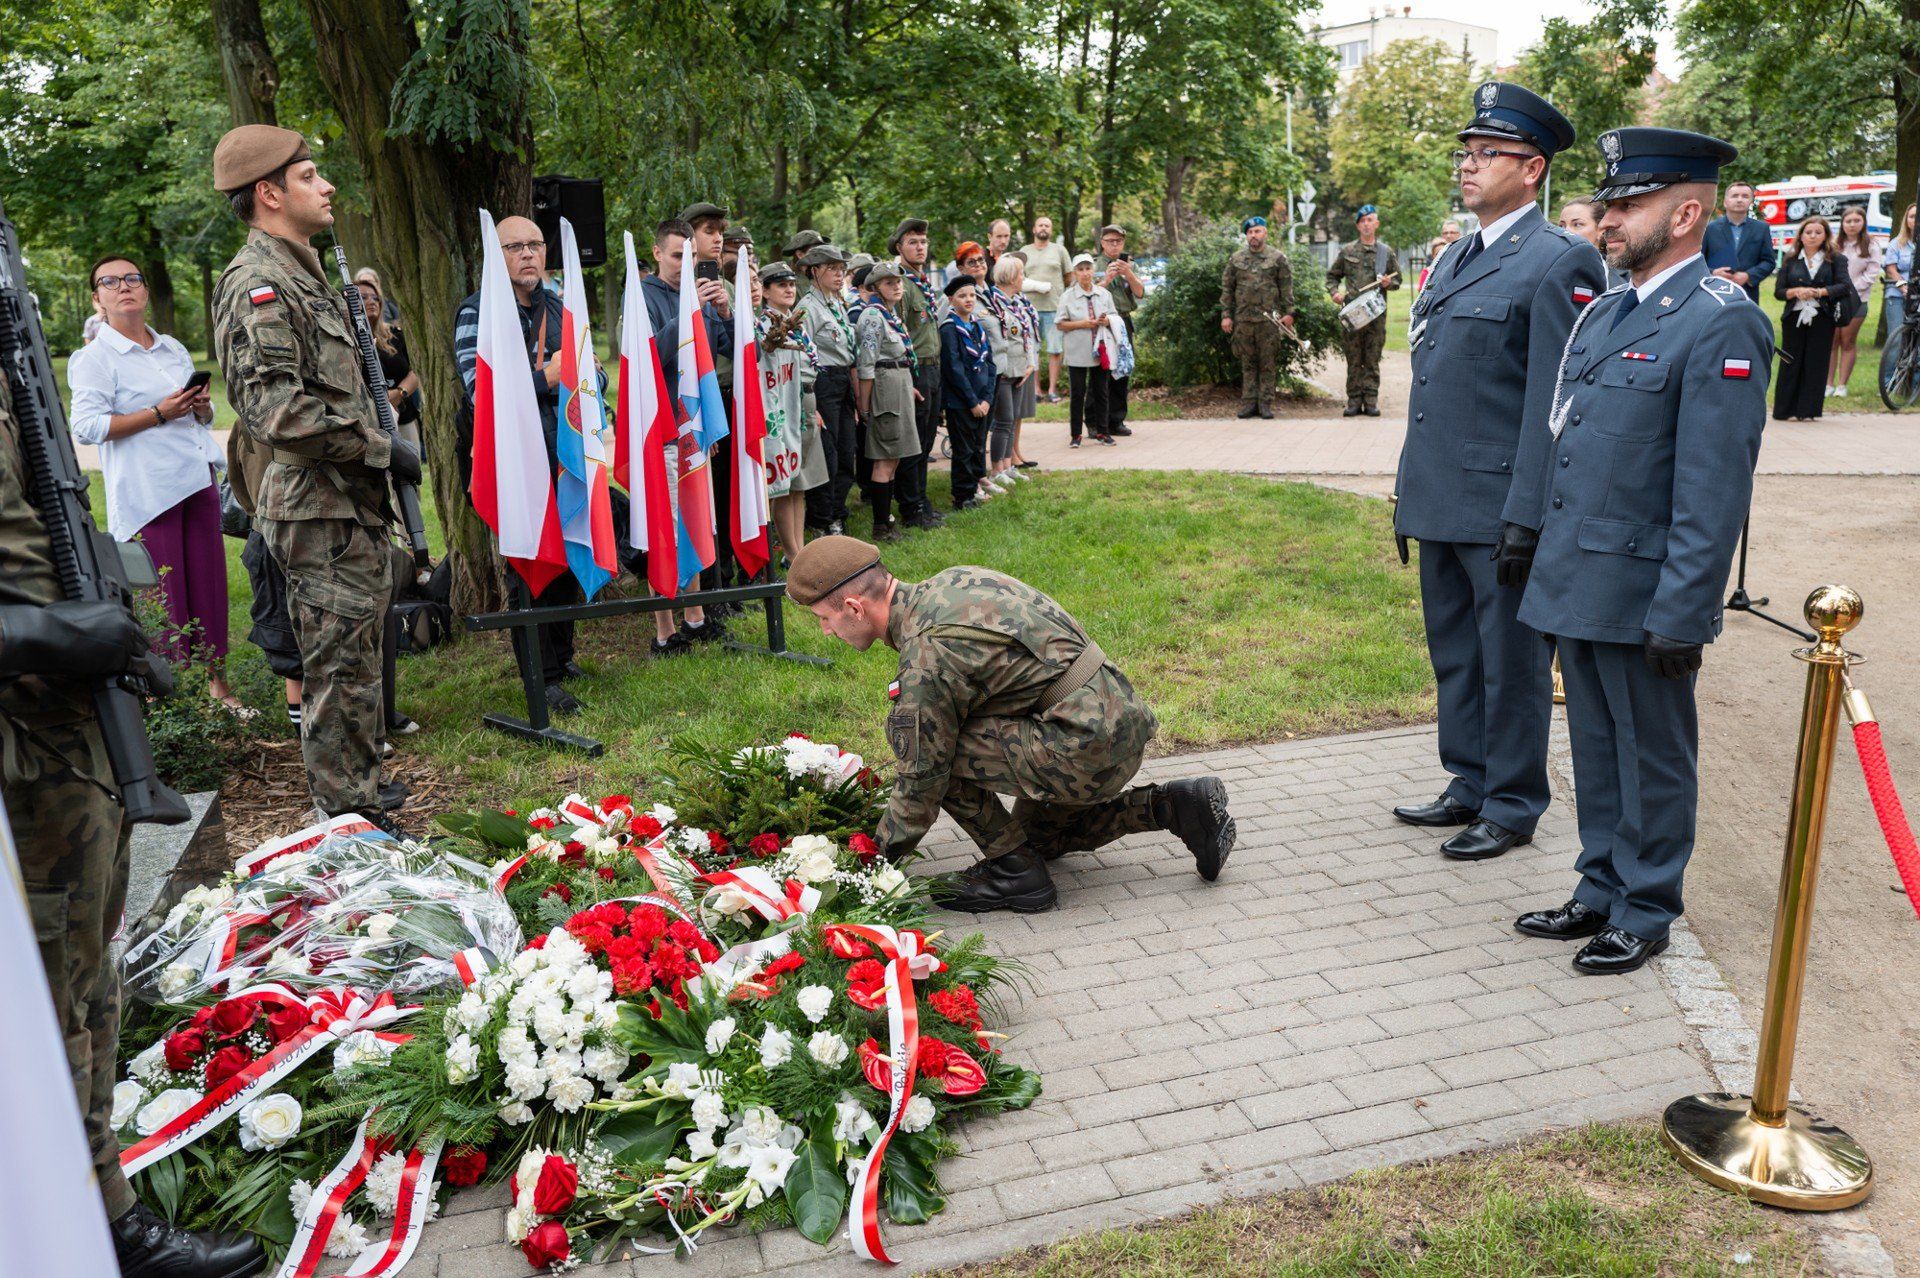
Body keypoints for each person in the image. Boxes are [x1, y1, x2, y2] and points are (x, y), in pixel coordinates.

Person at [1, 382, 268, 1278]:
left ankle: (99, 1213)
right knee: (41, 1009)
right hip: (17, 759)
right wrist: (34, 633)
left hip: (70, 745)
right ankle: (76, 1231)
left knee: (86, 984)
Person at [1511, 127, 1769, 975]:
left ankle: (1648, 904)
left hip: (1647, 589)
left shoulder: (1719, 323)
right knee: (1592, 743)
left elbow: (1712, 489)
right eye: (1611, 204)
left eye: (1629, 205)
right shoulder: (1609, 313)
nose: (1610, 220)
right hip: (1580, 574)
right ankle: (1599, 885)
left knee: (1651, 753)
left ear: (1687, 212)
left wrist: (1685, 612)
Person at [784, 536, 1236, 912]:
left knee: (933, 749)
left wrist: (866, 869)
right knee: (1040, 838)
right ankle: (1174, 806)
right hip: (1120, 723)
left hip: (1081, 747)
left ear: (854, 607)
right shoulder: (955, 580)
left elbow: (921, 781)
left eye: (825, 619)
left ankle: (1013, 871)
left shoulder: (926, 655)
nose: (826, 631)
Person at [1394, 81, 1604, 864]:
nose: (1470, 165)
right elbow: (1435, 389)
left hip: (1502, 502)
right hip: (1443, 493)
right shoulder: (1457, 258)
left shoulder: (1560, 259)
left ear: (1534, 168)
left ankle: (1513, 801)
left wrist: (1530, 513)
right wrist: (1408, 488)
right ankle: (1469, 779)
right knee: (1455, 650)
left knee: (1511, 663)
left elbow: (1558, 399)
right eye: (1467, 152)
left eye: (1489, 154)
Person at [211, 124, 416, 835]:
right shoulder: (259, 283)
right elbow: (276, 411)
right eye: (309, 177)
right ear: (268, 193)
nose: (326, 187)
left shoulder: (305, 272)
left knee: (355, 665)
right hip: (316, 508)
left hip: (343, 504)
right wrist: (381, 450)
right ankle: (346, 822)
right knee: (336, 672)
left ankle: (357, 795)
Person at [67, 255, 241, 710]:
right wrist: (160, 412)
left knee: (208, 588)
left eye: (132, 279)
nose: (124, 286)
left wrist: (200, 407)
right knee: (164, 601)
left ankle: (219, 688)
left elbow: (200, 418)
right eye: (111, 281)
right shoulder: (94, 358)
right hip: (148, 493)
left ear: (144, 291)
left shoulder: (171, 347)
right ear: (97, 298)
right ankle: (170, 703)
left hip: (195, 480)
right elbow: (87, 426)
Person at [452, 214, 596, 706]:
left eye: (535, 245)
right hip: (515, 461)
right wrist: (548, 379)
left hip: (565, 449)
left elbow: (582, 374)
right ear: (496, 255)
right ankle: (542, 676)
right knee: (530, 562)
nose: (529, 254)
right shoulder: (478, 313)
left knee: (569, 553)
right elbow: (481, 396)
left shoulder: (558, 307)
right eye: (515, 247)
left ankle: (563, 655)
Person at [635, 218, 725, 655]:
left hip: (694, 428)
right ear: (656, 254)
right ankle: (664, 630)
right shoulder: (643, 297)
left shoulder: (696, 294)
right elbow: (649, 357)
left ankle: (695, 616)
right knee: (666, 527)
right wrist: (689, 313)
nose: (683, 263)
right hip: (664, 429)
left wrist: (721, 311)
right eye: (676, 255)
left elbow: (718, 350)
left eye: (689, 256)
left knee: (694, 519)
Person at [853, 263, 925, 540]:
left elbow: (898, 358)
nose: (896, 286)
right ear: (874, 288)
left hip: (898, 385)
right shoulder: (873, 316)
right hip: (884, 390)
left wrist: (909, 388)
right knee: (885, 458)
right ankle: (881, 526)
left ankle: (888, 520)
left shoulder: (890, 314)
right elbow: (867, 364)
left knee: (894, 457)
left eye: (898, 281)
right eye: (888, 283)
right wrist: (866, 406)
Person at [797, 243, 860, 536]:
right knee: (827, 455)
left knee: (847, 451)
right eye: (832, 269)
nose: (839, 274)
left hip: (842, 381)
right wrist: (813, 404)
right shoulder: (807, 308)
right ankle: (822, 520)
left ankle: (837, 512)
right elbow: (800, 356)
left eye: (841, 269)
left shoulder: (836, 302)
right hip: (822, 383)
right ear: (815, 270)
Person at [890, 219, 946, 531]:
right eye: (913, 242)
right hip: (917, 369)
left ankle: (921, 500)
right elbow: (899, 333)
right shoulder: (901, 283)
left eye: (923, 241)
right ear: (899, 247)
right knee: (914, 442)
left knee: (926, 441)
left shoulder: (922, 281)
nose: (920, 247)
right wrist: (910, 379)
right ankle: (911, 507)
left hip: (932, 366)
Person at [757, 260, 812, 559]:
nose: (789, 289)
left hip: (795, 408)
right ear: (765, 291)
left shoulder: (796, 322)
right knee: (779, 485)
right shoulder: (764, 325)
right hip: (774, 411)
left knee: (796, 483)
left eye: (791, 284)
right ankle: (791, 552)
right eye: (781, 285)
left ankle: (800, 548)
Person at [1771, 216, 1849, 421]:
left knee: (1816, 361)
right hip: (1794, 316)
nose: (1813, 236)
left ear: (1825, 236)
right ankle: (1784, 409)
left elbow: (1844, 286)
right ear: (1801, 235)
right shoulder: (1790, 259)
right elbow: (1779, 291)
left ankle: (1809, 410)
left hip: (1822, 316)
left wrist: (1819, 292)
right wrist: (1795, 291)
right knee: (1790, 360)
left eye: (1818, 232)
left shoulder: (1836, 259)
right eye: (1808, 232)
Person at [1326, 205, 1400, 417]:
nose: (1367, 224)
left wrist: (1388, 282)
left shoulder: (1385, 252)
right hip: (1352, 315)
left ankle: (1371, 401)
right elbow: (1332, 276)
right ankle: (1353, 401)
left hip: (1376, 317)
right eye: (1363, 221)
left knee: (1372, 359)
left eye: (1370, 220)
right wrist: (1334, 293)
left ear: (1376, 223)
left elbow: (1398, 279)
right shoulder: (1348, 250)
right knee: (1353, 359)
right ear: (1358, 225)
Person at [969, 248, 1032, 491]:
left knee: (1011, 418)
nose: (1023, 277)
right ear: (1012, 276)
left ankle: (1007, 465)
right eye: (1021, 273)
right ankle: (997, 469)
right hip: (1002, 370)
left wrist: (1028, 363)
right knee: (1003, 421)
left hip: (1018, 368)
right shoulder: (996, 302)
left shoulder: (1015, 303)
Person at [1219, 216, 1294, 419]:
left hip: (1269, 321)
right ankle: (1249, 403)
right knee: (1248, 363)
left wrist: (1289, 313)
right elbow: (1227, 289)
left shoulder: (1277, 258)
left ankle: (1266, 404)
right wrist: (1226, 315)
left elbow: (1286, 287)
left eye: (1258, 231)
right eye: (1250, 232)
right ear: (1246, 235)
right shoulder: (1236, 259)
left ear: (1265, 233)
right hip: (1243, 320)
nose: (1254, 235)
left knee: (1267, 363)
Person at [941, 274, 997, 508]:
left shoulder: (977, 326)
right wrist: (973, 401)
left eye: (972, 295)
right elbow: (954, 369)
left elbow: (990, 364)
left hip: (981, 399)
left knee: (977, 446)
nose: (968, 299)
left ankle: (974, 487)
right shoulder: (949, 329)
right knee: (963, 450)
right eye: (962, 296)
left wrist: (987, 399)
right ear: (952, 300)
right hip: (961, 401)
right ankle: (962, 496)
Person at [354, 275, 423, 449]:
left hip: (403, 415)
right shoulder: (347, 340)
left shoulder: (395, 334)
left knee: (411, 467)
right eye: (363, 297)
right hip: (367, 423)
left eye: (375, 297)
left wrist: (400, 393)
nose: (371, 301)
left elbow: (416, 371)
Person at [1058, 253, 1118, 447]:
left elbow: (1114, 317)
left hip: (1100, 349)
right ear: (1075, 273)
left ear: (1093, 270)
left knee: (1101, 391)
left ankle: (1102, 431)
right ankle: (1076, 435)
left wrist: (1106, 320)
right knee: (1078, 393)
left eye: (1088, 269)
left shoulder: (1104, 294)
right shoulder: (1067, 296)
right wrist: (1082, 323)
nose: (1085, 273)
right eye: (1080, 270)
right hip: (1077, 350)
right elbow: (1060, 324)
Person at [1094, 225, 1145, 436]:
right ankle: (1097, 422)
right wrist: (1106, 279)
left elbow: (1140, 293)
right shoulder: (1094, 264)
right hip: (1102, 322)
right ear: (1102, 242)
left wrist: (1128, 274)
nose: (1115, 245)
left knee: (1122, 371)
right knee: (1101, 372)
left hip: (1123, 322)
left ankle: (1117, 420)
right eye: (1110, 241)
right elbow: (1090, 293)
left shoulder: (1129, 265)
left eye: (1118, 241)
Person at [1018, 216, 1074, 401]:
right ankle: (1036, 391)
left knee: (1055, 350)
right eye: (1040, 225)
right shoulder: (1025, 251)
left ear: (1051, 230)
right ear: (1034, 229)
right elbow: (1019, 279)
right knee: (1032, 351)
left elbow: (1068, 277)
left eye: (1047, 225)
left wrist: (1058, 293)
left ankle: (1051, 390)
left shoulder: (1059, 250)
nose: (1044, 228)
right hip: (1029, 310)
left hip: (1054, 308)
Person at [1830, 206, 1880, 398]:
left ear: (1863, 222)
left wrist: (1849, 288)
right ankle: (1828, 384)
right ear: (1842, 224)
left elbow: (1872, 274)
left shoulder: (1871, 245)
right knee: (1832, 341)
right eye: (1848, 221)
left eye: (1856, 221)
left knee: (1847, 341)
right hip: (1834, 299)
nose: (1852, 225)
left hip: (1858, 299)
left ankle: (1842, 385)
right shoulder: (1835, 244)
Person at [1701, 179, 1775, 302]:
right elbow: (1698, 260)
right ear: (1725, 202)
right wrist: (1713, 273)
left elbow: (1769, 262)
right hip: (1714, 292)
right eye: (1735, 196)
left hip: (1748, 293)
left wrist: (1748, 276)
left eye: (1745, 196)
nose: (1740, 199)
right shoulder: (1709, 228)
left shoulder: (1762, 229)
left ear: (1751, 201)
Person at [1886, 201, 1916, 336]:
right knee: (1896, 337)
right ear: (1906, 220)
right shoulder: (1895, 244)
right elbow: (1891, 270)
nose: (1916, 220)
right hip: (1897, 295)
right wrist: (1903, 287)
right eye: (1912, 216)